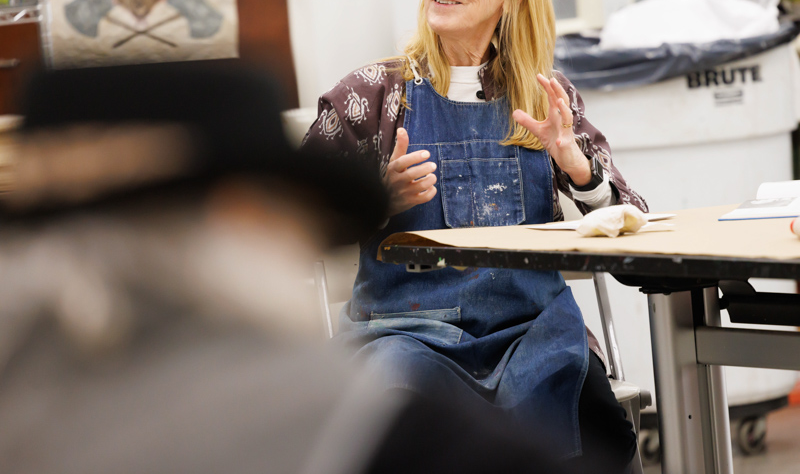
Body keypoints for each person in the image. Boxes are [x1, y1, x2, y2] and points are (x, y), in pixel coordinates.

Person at [0, 61, 577, 474]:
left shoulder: (547, 93)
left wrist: (574, 164)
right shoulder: (334, 418)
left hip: (522, 328)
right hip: (414, 332)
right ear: (246, 215)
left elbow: (626, 204)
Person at [302, 0, 648, 473]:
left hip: (531, 331)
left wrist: (576, 167)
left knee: (599, 429)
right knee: (391, 432)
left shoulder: (545, 94)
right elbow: (282, 224)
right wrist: (375, 199)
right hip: (403, 335)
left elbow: (631, 222)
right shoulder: (371, 94)